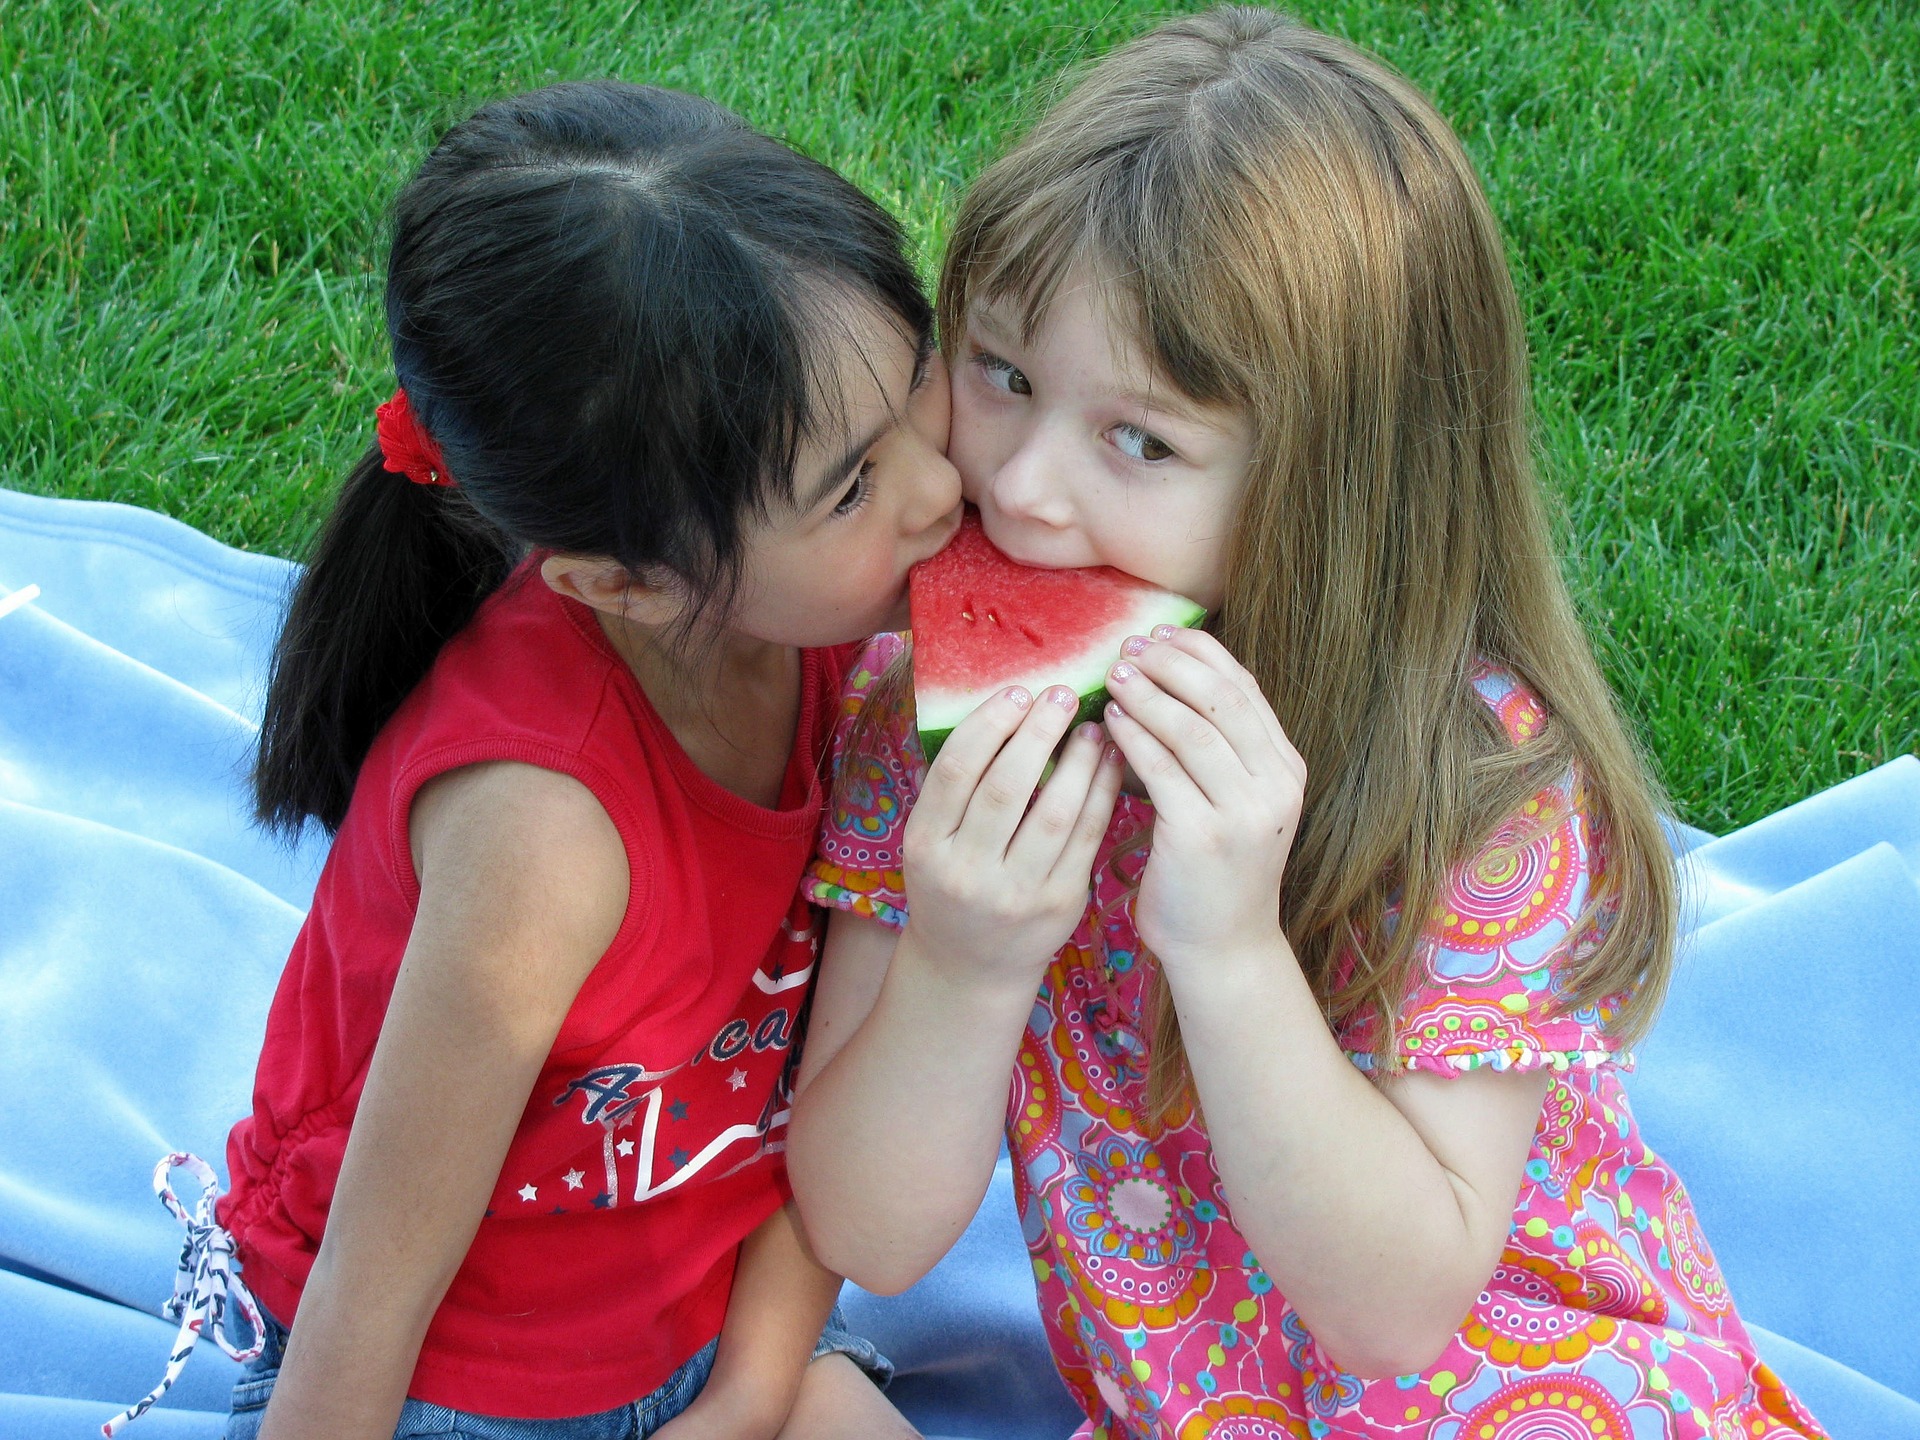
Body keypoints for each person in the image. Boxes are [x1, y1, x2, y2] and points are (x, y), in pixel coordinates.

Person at [786, 10, 1829, 1439]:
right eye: (1002, 375)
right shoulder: (926, 714)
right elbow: (872, 1237)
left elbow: (1394, 1316)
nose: (1022, 485)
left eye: (1139, 439)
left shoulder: (1478, 784)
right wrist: (962, 967)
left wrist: (1226, 950)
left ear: (1334, 475)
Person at [108, 80, 957, 1440]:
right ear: (619, 582)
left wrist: (747, 1395)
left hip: (725, 1300)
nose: (940, 491)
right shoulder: (544, 835)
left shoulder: (837, 636)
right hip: (480, 1387)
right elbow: (374, 1290)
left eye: (922, 385)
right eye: (854, 483)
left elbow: (827, 1073)